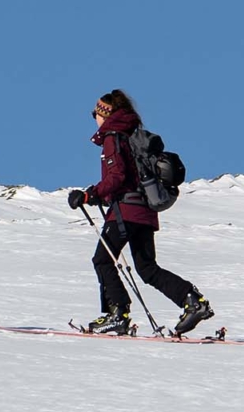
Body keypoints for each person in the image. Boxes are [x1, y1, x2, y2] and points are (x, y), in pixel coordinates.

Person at [67, 90, 212, 337]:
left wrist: (90, 195)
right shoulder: (133, 135)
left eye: (95, 113)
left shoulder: (114, 137)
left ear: (105, 114)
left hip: (126, 210)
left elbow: (117, 177)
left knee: (102, 260)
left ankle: (117, 314)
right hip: (145, 210)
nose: (94, 118)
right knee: (147, 268)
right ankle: (192, 300)